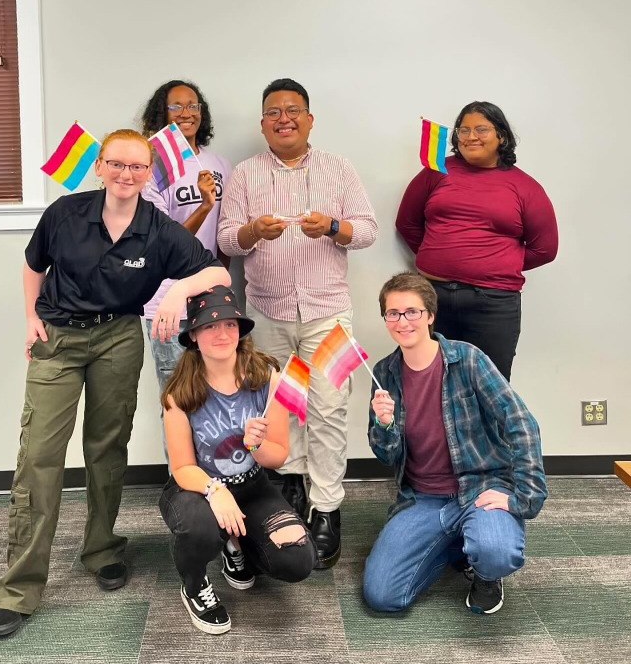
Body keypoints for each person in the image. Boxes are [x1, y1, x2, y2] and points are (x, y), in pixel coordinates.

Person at [0, 129, 231, 637]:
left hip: (119, 337)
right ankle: (20, 588)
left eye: (137, 167)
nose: (126, 175)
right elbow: (33, 266)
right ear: (99, 166)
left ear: (149, 174)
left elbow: (219, 276)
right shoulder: (64, 213)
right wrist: (30, 316)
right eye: (116, 164)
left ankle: (100, 549)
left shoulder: (158, 228)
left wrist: (176, 291)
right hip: (57, 338)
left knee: (106, 448)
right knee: (39, 458)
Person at [217, 78, 377, 569]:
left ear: (310, 119)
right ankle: (288, 486)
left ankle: (326, 506)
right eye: (273, 112)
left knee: (328, 408)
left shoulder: (339, 168)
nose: (283, 118)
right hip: (266, 311)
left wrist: (332, 226)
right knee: (279, 408)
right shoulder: (245, 174)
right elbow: (226, 241)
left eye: (292, 111)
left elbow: (367, 230)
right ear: (263, 123)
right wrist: (251, 232)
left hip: (328, 314)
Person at [363, 273, 547, 616]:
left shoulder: (469, 359)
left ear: (430, 316)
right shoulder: (384, 372)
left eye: (412, 312)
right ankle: (457, 546)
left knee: (496, 553)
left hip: (480, 489)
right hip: (423, 498)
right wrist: (383, 425)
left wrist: (524, 498)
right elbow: (386, 455)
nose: (402, 322)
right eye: (393, 313)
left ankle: (486, 572)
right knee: (383, 596)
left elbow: (521, 423)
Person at [159, 285, 317, 634]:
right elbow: (183, 467)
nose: (222, 333)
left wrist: (255, 445)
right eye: (210, 326)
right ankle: (195, 584)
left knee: (298, 560)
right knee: (200, 530)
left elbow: (277, 456)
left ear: (240, 332)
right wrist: (216, 491)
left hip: (252, 486)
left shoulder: (266, 378)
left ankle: (236, 545)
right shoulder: (179, 393)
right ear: (194, 336)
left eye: (230, 324)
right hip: (196, 488)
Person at [395, 101, 558, 380]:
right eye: (464, 130)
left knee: (489, 387)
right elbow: (407, 222)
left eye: (481, 129)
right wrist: (437, 254)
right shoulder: (437, 172)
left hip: (493, 304)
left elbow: (545, 248)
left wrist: (498, 264)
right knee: (431, 382)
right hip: (434, 297)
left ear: (501, 137)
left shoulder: (524, 187)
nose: (471, 137)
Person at [140, 80, 231, 461]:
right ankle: (183, 482)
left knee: (218, 392)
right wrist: (203, 206)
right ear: (162, 115)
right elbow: (163, 243)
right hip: (166, 303)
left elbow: (226, 234)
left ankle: (220, 476)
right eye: (176, 107)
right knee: (179, 397)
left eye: (192, 105)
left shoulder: (219, 164)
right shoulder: (152, 169)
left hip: (211, 296)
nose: (186, 113)